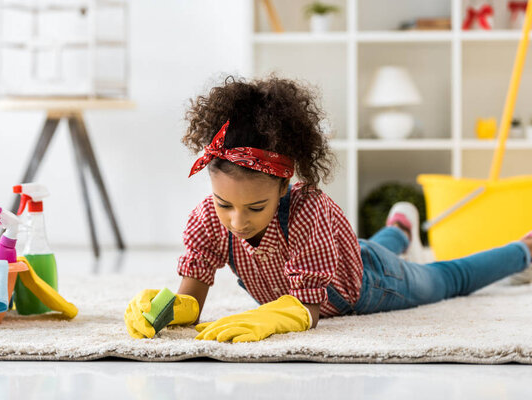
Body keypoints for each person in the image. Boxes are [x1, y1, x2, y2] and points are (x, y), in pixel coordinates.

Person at [124, 76, 532, 342]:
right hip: (343, 252)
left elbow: (308, 309)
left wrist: (274, 318)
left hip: (370, 282)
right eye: (224, 203)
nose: (237, 221)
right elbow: (192, 300)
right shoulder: (208, 221)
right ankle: (401, 229)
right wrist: (167, 309)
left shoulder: (308, 210)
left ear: (284, 186)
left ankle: (524, 250)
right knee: (368, 244)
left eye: (255, 207)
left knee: (445, 278)